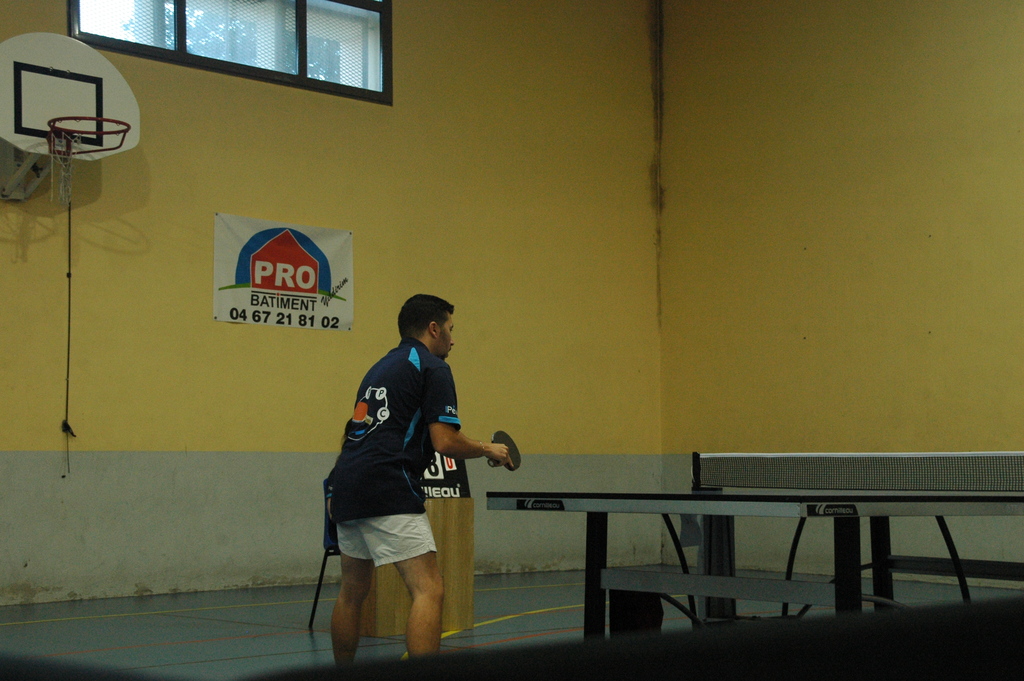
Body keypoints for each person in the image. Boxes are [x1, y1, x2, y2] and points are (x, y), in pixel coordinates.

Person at [328, 294, 511, 663]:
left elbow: (356, 431)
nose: (453, 339)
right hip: (388, 484)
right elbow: (445, 442)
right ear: (433, 329)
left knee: (352, 591)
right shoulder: (432, 367)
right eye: (450, 329)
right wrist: (486, 448)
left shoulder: (379, 368)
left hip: (345, 484)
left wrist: (336, 487)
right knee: (429, 589)